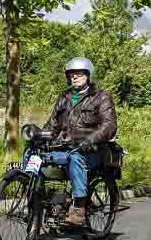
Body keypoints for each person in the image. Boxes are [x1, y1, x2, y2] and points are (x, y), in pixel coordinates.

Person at [41, 58, 117, 226]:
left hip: (93, 150)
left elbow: (109, 125)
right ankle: (35, 199)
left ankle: (79, 208)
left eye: (79, 74)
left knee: (76, 158)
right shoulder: (64, 97)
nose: (74, 77)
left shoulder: (101, 97)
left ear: (88, 76)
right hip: (66, 147)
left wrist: (89, 141)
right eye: (71, 74)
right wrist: (40, 135)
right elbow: (52, 125)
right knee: (34, 154)